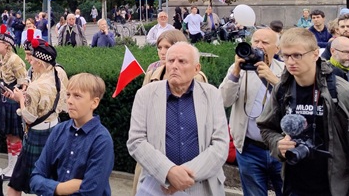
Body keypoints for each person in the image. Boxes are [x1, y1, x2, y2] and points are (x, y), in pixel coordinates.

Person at [257, 28, 349, 196]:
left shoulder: (343, 93)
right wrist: (278, 144)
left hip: (333, 189)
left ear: (315, 54)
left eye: (297, 55)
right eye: (285, 56)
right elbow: (266, 127)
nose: (290, 62)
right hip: (294, 187)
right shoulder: (282, 89)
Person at [128, 42, 229, 196]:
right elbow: (136, 141)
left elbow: (220, 145)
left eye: (182, 61)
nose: (174, 66)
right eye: (170, 61)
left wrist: (183, 177)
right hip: (158, 185)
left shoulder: (212, 95)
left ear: (197, 69)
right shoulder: (145, 94)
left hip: (202, 186)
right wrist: (168, 172)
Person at [219, 28, 285, 196]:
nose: (259, 46)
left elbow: (293, 103)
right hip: (250, 149)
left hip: (281, 148)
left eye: (265, 42)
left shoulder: (285, 70)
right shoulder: (240, 70)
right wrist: (235, 72)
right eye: (256, 41)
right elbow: (223, 101)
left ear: (277, 49)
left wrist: (273, 80)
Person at [30, 73, 114, 196]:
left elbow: (91, 191)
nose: (69, 101)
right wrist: (60, 188)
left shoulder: (101, 140)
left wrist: (49, 187)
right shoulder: (58, 131)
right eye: (68, 95)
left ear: (94, 103)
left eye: (77, 96)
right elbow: (35, 178)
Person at [2, 40, 65, 195]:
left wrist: (20, 99)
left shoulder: (36, 86)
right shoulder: (59, 72)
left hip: (37, 133)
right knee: (50, 179)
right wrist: (23, 98)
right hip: (55, 128)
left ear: (40, 62)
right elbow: (63, 101)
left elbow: (29, 118)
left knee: (17, 183)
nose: (29, 61)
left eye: (32, 59)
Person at [0, 24, 28, 177]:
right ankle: (11, 164)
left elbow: (23, 82)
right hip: (5, 97)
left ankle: (16, 167)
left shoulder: (15, 60)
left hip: (13, 99)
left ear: (7, 45)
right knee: (8, 134)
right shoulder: (1, 58)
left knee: (14, 134)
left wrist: (17, 96)